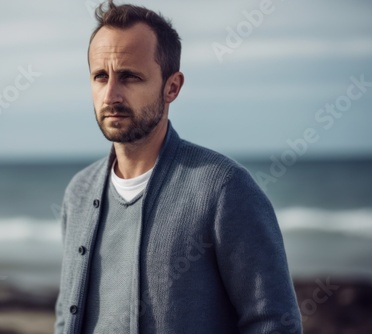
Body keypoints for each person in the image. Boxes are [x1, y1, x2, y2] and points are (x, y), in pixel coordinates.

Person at [55, 1, 302, 333]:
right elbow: (65, 316)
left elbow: (274, 322)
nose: (111, 95)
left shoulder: (224, 188)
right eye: (101, 76)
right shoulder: (79, 193)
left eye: (129, 76)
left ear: (172, 87)